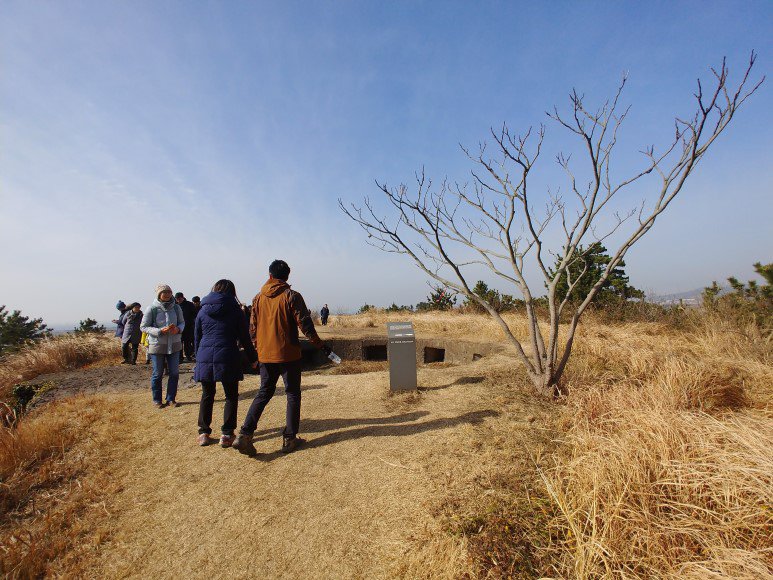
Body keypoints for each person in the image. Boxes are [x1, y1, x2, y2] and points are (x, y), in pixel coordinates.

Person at [232, 259, 331, 455]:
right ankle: (289, 438)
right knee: (292, 393)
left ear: (269, 276)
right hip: (289, 354)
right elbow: (306, 325)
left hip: (265, 355)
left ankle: (244, 434)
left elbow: (252, 329)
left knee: (264, 392)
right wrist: (321, 346)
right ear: (287, 276)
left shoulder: (257, 298)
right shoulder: (292, 296)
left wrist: (258, 350)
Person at [194, 280, 258, 447]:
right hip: (228, 355)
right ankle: (227, 434)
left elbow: (197, 337)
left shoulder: (202, 311)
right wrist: (253, 358)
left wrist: (198, 357)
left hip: (205, 355)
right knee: (230, 396)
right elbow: (245, 338)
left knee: (207, 394)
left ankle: (203, 433)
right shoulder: (236, 311)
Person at [140, 284, 185, 408]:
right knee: (157, 373)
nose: (167, 294)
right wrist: (159, 331)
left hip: (174, 344)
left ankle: (171, 399)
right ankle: (157, 400)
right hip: (157, 345)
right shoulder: (152, 308)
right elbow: (143, 327)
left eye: (169, 292)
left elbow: (182, 322)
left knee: (174, 373)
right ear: (159, 294)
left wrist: (178, 329)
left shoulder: (176, 308)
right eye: (164, 292)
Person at [175, 292, 197, 362]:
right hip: (178, 328)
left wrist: (192, 322)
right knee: (179, 343)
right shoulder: (175, 305)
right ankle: (180, 358)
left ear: (183, 297)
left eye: (179, 298)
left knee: (187, 343)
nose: (178, 300)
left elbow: (195, 314)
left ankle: (188, 356)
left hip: (188, 327)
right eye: (177, 299)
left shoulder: (189, 304)